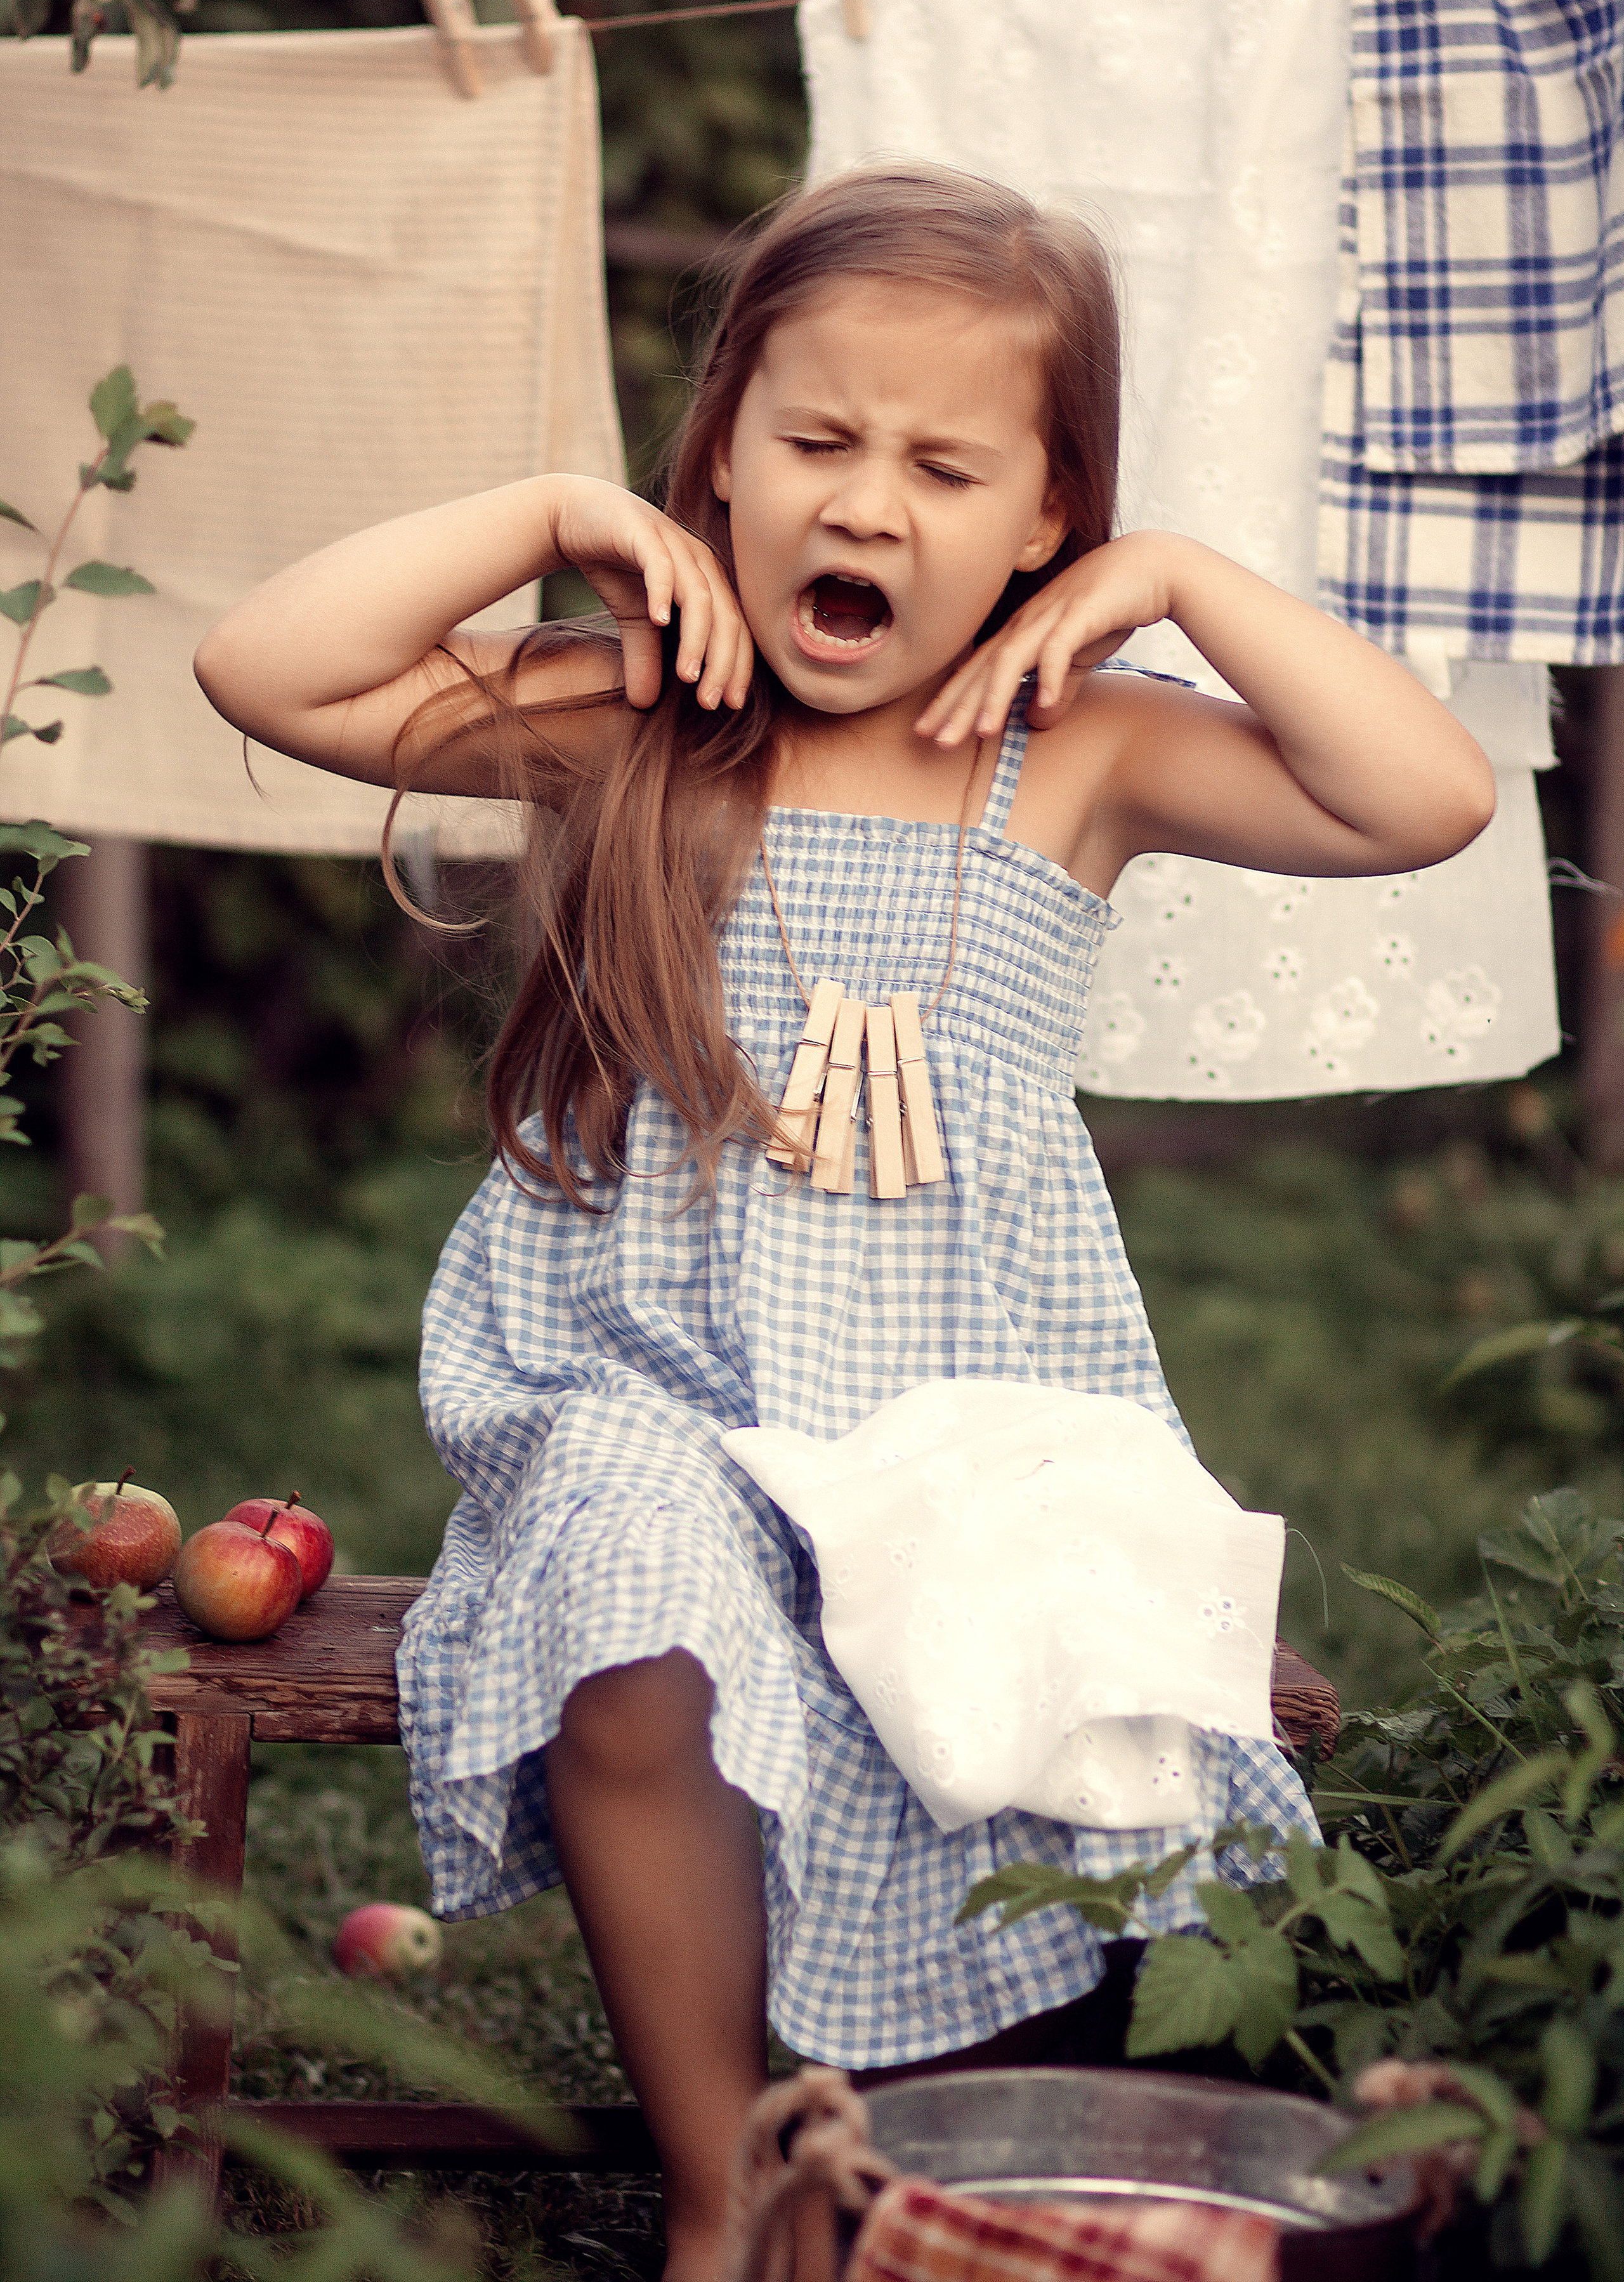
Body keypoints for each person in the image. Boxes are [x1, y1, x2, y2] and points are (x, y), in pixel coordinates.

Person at [195, 164, 1496, 2282]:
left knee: (1024, 1653)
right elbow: (269, 669)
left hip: (970, 1404)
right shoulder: (639, 717)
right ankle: (726, 2189)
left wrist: (1177, 574)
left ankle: (915, 2133)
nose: (868, 503)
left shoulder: (1072, 749)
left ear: (1041, 523)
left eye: (945, 462)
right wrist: (550, 514)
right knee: (635, 1592)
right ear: (718, 461)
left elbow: (1419, 798)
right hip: (649, 1380)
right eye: (814, 441)